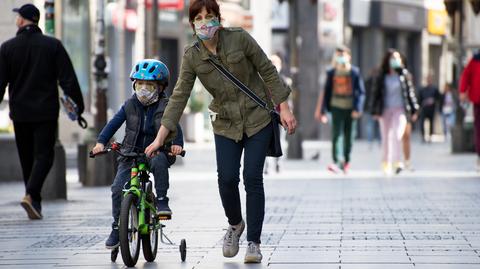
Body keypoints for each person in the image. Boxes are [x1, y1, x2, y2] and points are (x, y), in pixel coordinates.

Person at [144, 0, 297, 263]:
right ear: (192, 24)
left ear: (218, 18)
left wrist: (284, 107)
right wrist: (160, 137)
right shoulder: (192, 56)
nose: (205, 22)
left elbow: (267, 70)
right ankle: (236, 224)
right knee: (226, 179)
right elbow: (179, 96)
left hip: (257, 117)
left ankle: (254, 243)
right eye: (199, 18)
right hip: (225, 123)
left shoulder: (239, 39)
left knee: (252, 177)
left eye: (210, 16)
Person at [0, 4, 85, 219]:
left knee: (27, 158)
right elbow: (68, 79)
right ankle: (31, 196)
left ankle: (33, 201)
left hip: (20, 112)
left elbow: (0, 83)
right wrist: (78, 107)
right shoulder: (52, 46)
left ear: (23, 20)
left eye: (18, 16)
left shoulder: (7, 48)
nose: (17, 19)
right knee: (45, 156)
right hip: (45, 112)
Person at [91, 59, 184, 249]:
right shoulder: (130, 105)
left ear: (160, 87)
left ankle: (161, 201)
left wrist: (177, 145)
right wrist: (101, 142)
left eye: (149, 85)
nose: (143, 89)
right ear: (134, 84)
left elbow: (175, 127)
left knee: (159, 162)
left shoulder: (166, 106)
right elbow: (113, 124)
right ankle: (117, 227)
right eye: (140, 84)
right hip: (130, 153)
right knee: (118, 188)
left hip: (156, 151)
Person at [314, 45, 365, 174]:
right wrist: (323, 111)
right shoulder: (331, 72)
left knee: (349, 136)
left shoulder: (354, 72)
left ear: (349, 56)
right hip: (336, 107)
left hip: (350, 108)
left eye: (343, 55)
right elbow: (326, 92)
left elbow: (361, 92)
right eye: (338, 55)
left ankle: (346, 161)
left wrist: (358, 108)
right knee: (336, 135)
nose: (340, 57)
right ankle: (336, 161)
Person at [371, 49, 419, 175]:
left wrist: (414, 109)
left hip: (400, 110)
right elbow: (375, 94)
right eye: (392, 58)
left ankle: (397, 162)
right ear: (388, 60)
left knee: (398, 134)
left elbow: (411, 93)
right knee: (386, 137)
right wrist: (374, 110)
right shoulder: (382, 76)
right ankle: (386, 163)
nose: (395, 61)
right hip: (385, 110)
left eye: (397, 58)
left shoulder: (404, 75)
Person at [459, 50, 480, 170]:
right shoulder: (476, 58)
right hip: (478, 100)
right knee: (478, 129)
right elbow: (466, 74)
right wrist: (463, 90)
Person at [418, 74, 440, 143]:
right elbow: (419, 99)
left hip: (431, 109)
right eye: (428, 79)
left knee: (431, 123)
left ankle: (430, 136)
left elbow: (438, 98)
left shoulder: (434, 89)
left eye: (429, 79)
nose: (428, 80)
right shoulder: (422, 89)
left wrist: (433, 101)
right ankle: (423, 136)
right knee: (422, 123)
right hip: (424, 109)